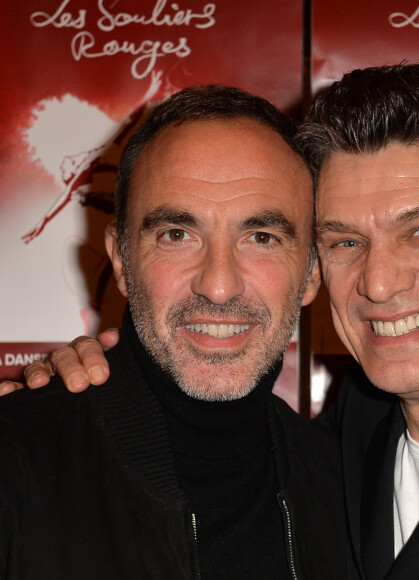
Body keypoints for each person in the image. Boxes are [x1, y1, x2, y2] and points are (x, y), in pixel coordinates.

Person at [6, 63, 419, 579]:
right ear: (121, 262)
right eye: (347, 240)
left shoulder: (321, 467)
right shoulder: (344, 448)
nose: (379, 284)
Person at [0, 85, 348, 579]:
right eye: (177, 235)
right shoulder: (17, 463)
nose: (220, 286)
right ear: (122, 261)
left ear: (311, 273)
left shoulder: (348, 491)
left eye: (262, 237)